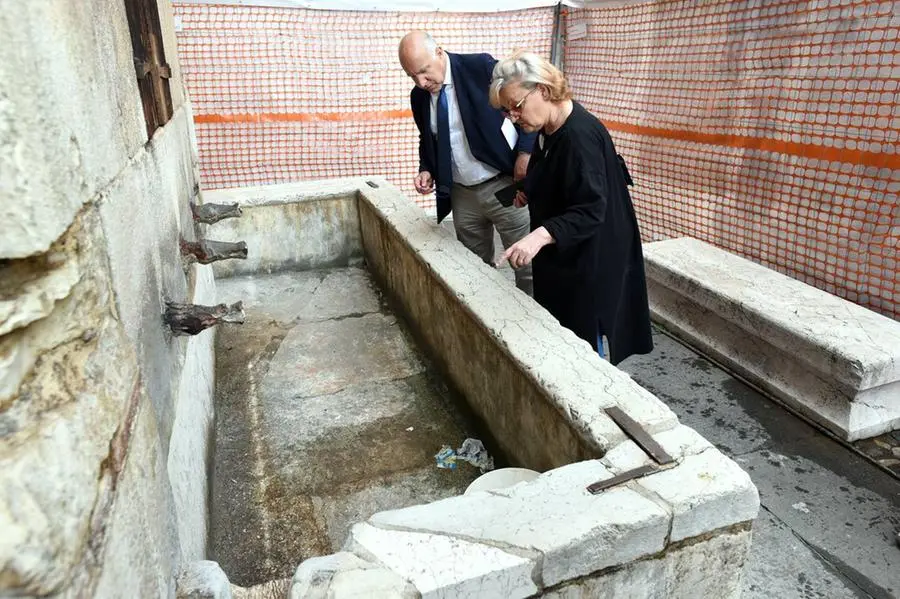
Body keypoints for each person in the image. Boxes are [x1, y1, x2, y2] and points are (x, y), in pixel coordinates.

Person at [490, 51, 653, 365]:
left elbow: (591, 209)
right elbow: (555, 173)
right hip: (565, 252)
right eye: (507, 110)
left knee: (587, 338)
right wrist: (526, 190)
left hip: (591, 257)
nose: (512, 116)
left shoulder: (579, 137)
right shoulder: (547, 129)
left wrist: (537, 236)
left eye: (516, 106)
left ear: (544, 91)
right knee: (562, 327)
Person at [398, 31, 536, 295]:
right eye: (411, 76)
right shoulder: (419, 96)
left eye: (424, 71)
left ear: (439, 52)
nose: (420, 81)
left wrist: (526, 153)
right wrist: (426, 168)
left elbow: (525, 102)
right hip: (462, 194)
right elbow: (427, 137)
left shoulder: (481, 68)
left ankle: (537, 326)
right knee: (474, 270)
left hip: (504, 185)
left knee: (527, 264)